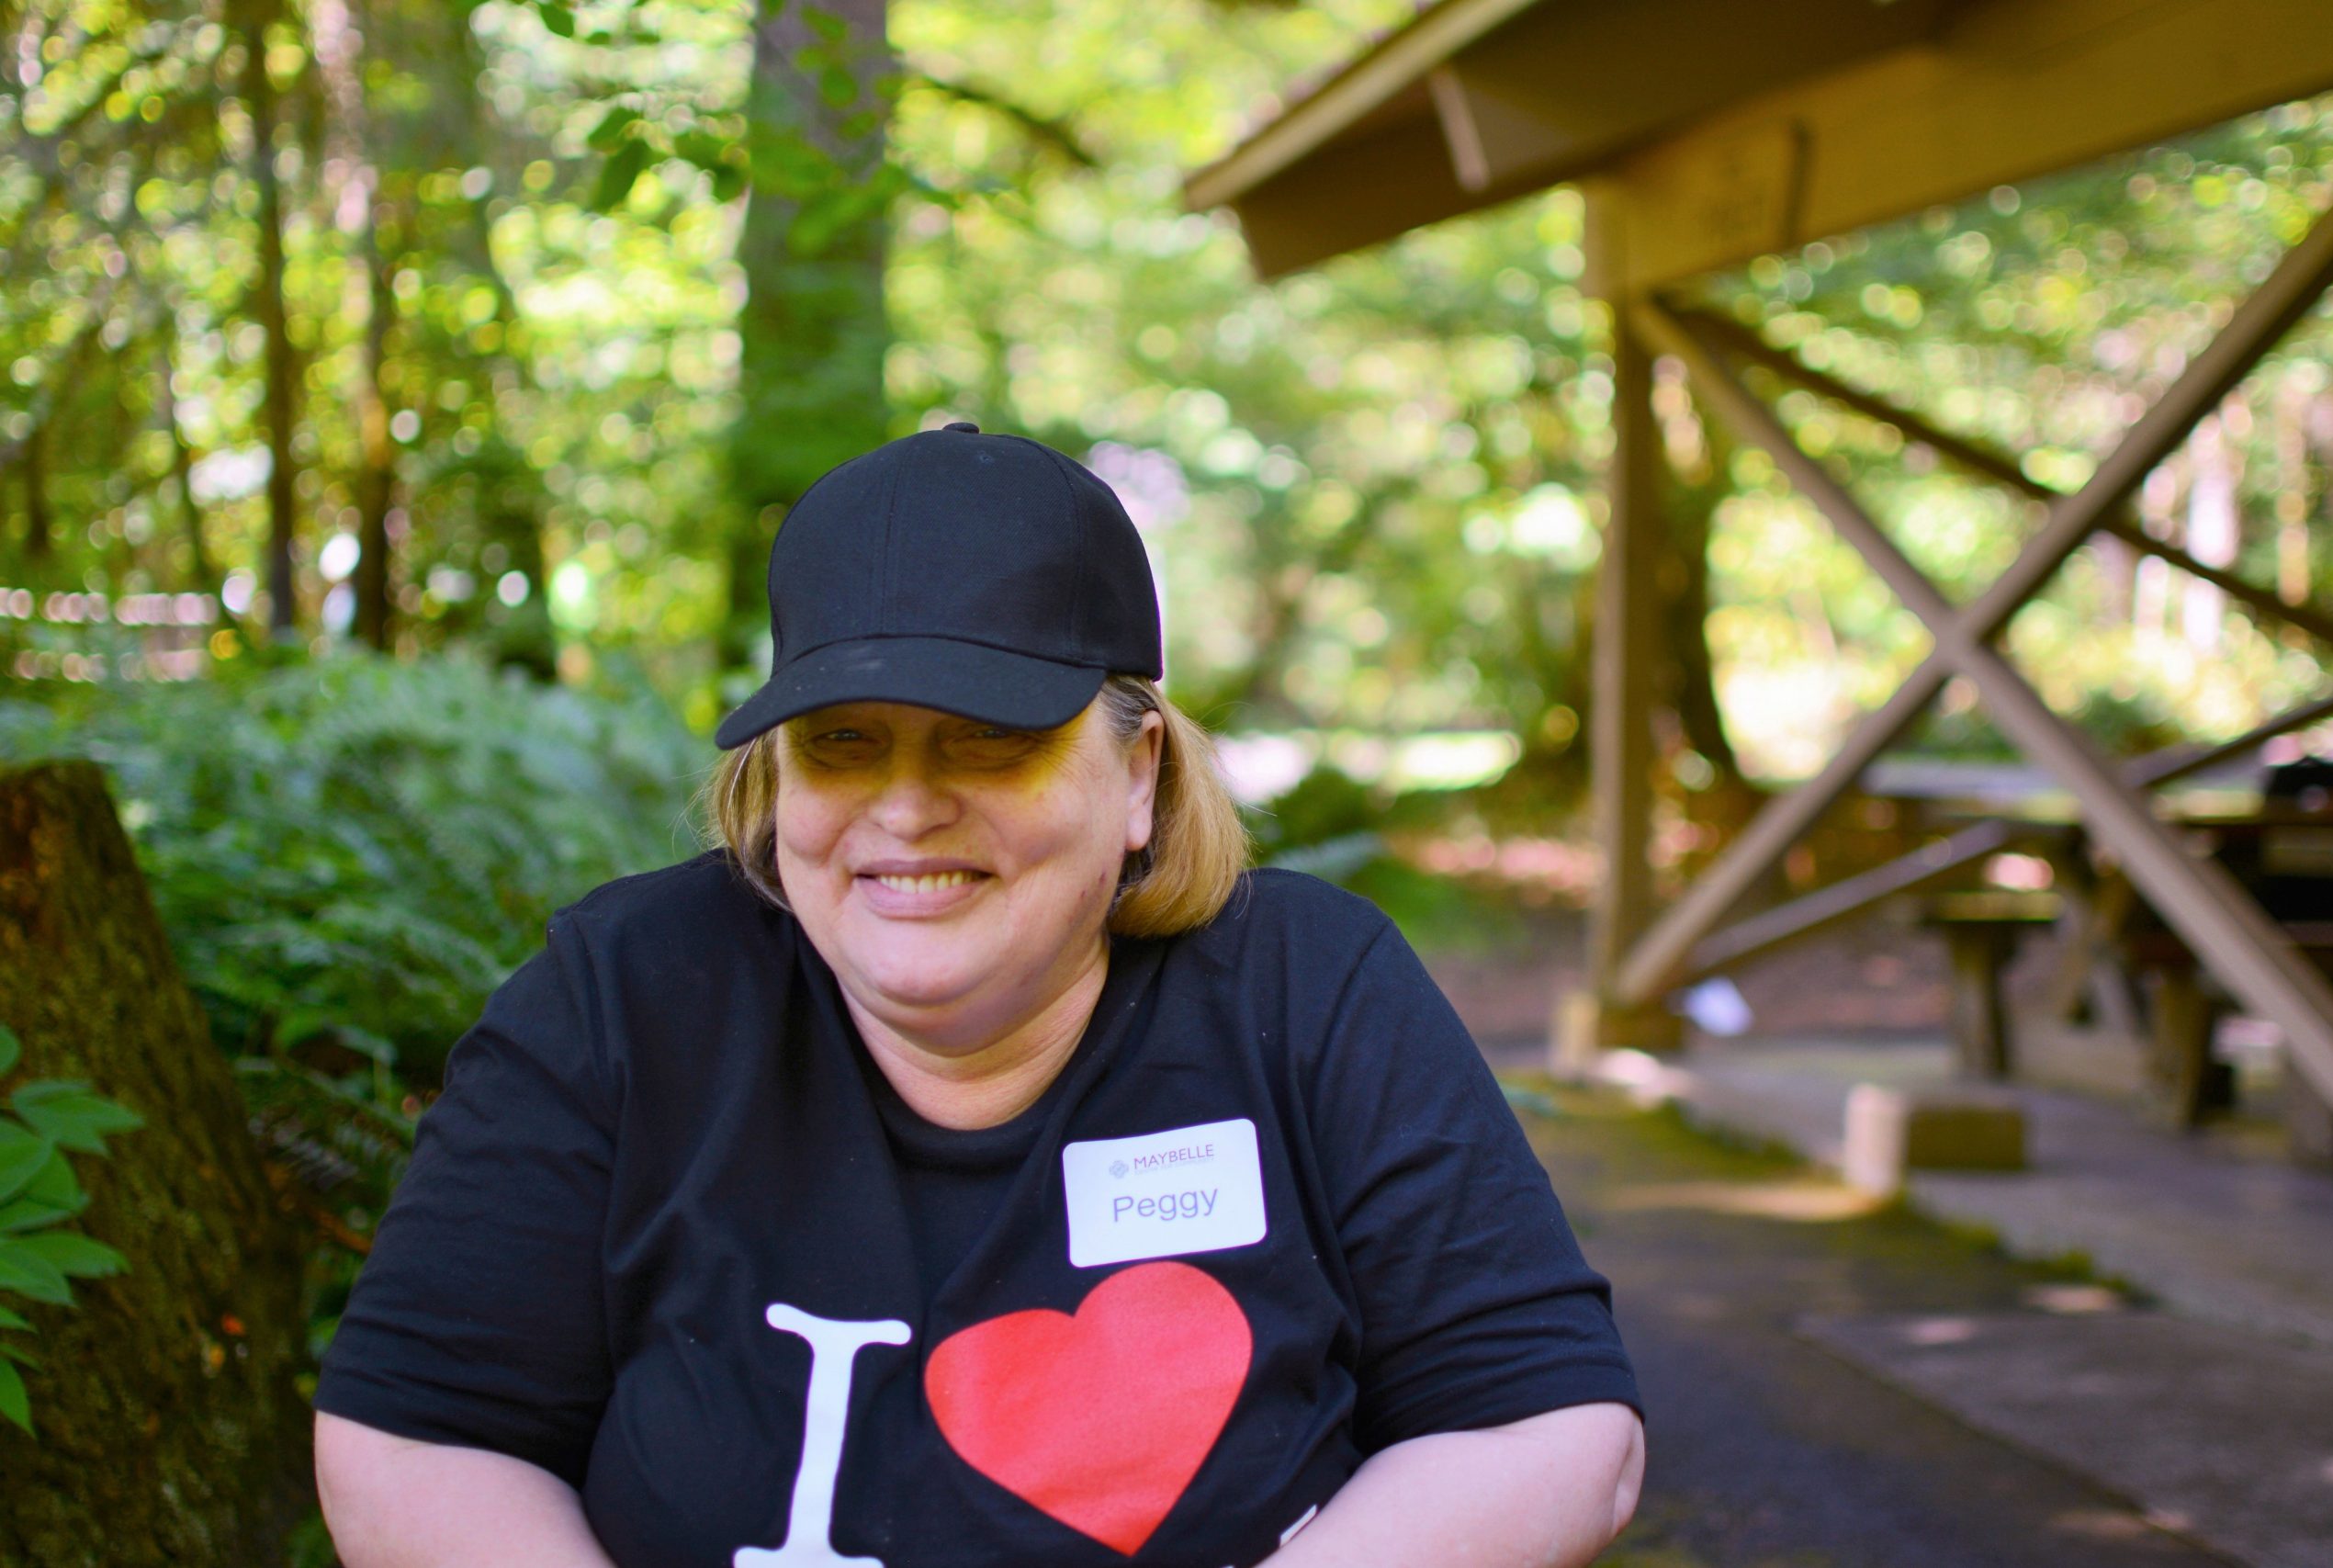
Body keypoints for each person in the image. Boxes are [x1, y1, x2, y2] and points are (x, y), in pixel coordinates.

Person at [311, 422, 1645, 1568]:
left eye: (990, 740)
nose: (903, 807)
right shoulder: (628, 997)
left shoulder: (1304, 990)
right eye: (843, 742)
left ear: (1139, 775)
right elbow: (414, 1438)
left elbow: (1548, 1431)